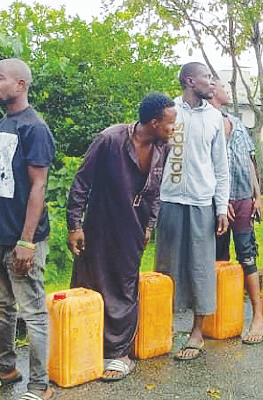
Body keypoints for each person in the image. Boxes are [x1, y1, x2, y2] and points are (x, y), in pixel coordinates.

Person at [66, 93, 176, 380]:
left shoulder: (162, 148)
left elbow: (154, 192)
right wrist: (74, 225)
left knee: (125, 285)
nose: (172, 129)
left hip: (134, 226)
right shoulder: (110, 139)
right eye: (169, 124)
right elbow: (81, 182)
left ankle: (118, 353)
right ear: (153, 123)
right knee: (90, 282)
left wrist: (149, 225)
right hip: (99, 224)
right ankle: (85, 345)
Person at [0, 59, 56, 400]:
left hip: (24, 240)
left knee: (32, 312)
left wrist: (26, 240)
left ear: (20, 85)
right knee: (4, 308)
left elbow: (38, 187)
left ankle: (40, 385)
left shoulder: (34, 128)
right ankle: (7, 368)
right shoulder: (2, 126)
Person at [155, 62, 229, 361]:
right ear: (189, 81)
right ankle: (164, 328)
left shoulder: (214, 118)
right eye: (206, 77)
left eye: (213, 77)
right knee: (167, 267)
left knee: (200, 267)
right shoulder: (169, 112)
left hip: (202, 201)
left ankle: (196, 333)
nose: (212, 82)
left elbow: (220, 166)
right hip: (169, 200)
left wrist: (221, 207)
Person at [210, 80, 263, 344]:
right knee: (218, 257)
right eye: (222, 87)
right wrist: (219, 202)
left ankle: (258, 317)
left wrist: (257, 196)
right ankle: (222, 315)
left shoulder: (237, 121)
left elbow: (248, 159)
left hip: (244, 198)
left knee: (247, 254)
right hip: (216, 201)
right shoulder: (202, 122)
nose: (226, 90)